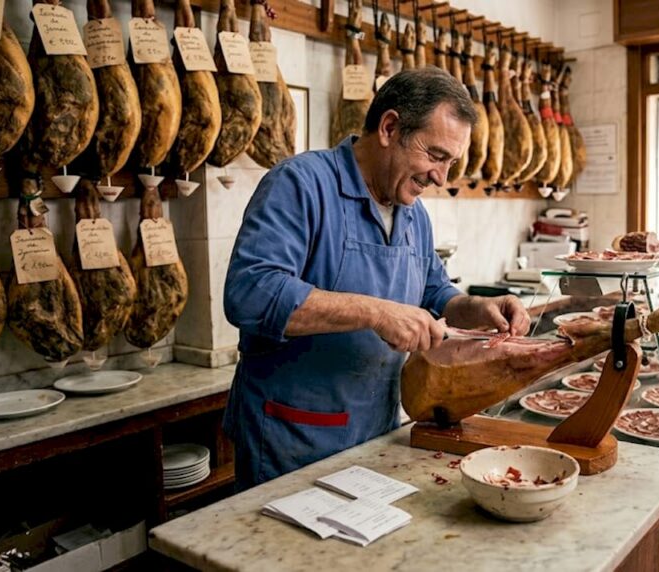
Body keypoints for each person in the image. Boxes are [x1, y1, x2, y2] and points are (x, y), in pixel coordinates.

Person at [223, 67, 531, 489]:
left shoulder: (412, 214)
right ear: (389, 128)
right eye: (436, 155)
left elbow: (433, 289)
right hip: (292, 439)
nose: (441, 177)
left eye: (451, 163)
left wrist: (478, 308)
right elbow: (250, 294)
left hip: (377, 435)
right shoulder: (300, 184)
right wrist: (375, 313)